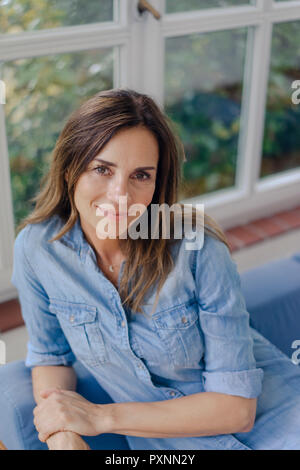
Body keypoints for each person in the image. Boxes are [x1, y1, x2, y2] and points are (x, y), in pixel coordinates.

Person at [11, 88, 300, 450]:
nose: (121, 196)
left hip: (282, 427)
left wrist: (100, 418)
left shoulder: (197, 249)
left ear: (157, 183)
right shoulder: (38, 250)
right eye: (102, 169)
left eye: (141, 175)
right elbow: (51, 355)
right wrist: (62, 433)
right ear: (70, 169)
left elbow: (237, 409)